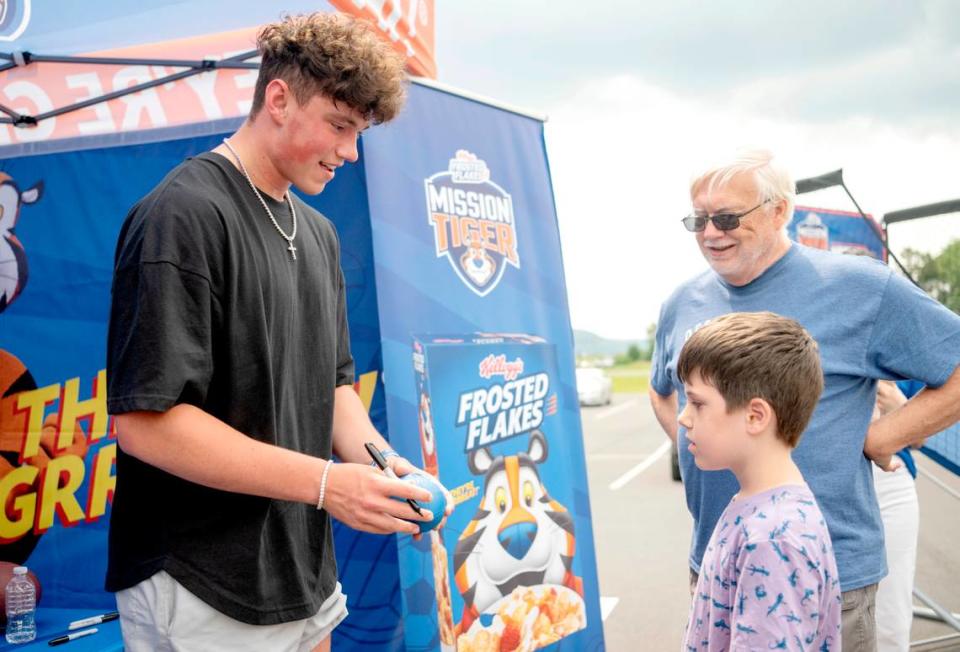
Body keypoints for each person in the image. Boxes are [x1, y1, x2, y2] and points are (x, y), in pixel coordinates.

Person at [105, 13, 450, 652]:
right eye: (340, 125)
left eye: (360, 131)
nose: (350, 151)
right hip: (200, 579)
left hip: (303, 572)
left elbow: (335, 389)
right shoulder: (181, 215)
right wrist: (325, 485)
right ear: (279, 98)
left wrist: (384, 465)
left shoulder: (318, 235)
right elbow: (146, 423)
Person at [649, 148, 960, 651]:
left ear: (779, 211)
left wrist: (882, 437)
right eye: (698, 219)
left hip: (825, 570)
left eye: (727, 217)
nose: (710, 233)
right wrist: (698, 437)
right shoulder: (682, 302)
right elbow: (660, 391)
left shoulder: (862, 288)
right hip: (716, 558)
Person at [678, 311, 841, 651]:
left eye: (697, 403)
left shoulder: (774, 539)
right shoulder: (757, 506)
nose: (683, 417)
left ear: (755, 416)